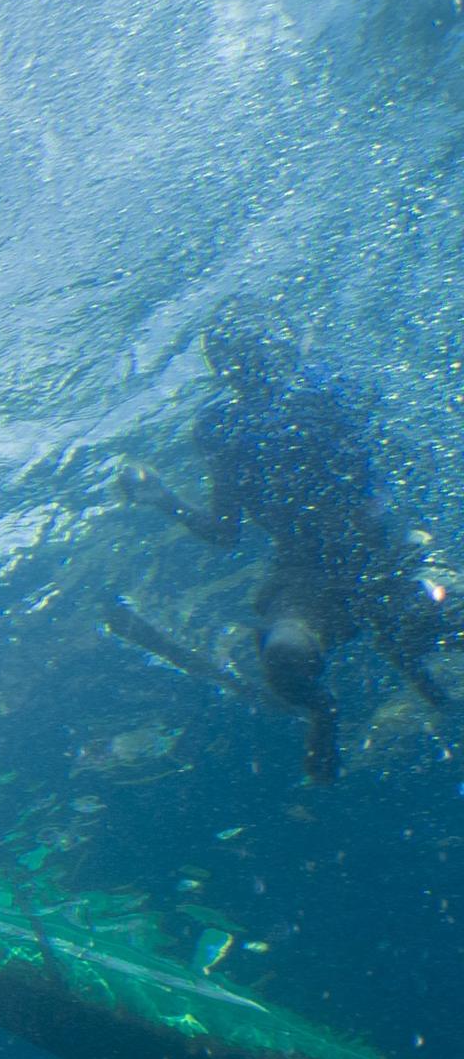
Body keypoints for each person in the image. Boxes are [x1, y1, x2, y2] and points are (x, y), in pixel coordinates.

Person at [120, 324, 454, 782]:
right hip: (303, 575)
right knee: (283, 652)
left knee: (438, 618)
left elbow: (397, 456)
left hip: (386, 555)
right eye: (234, 356)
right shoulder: (225, 428)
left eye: (249, 349)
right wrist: (160, 497)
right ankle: (323, 712)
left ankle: (425, 679)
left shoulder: (326, 392)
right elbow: (225, 530)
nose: (245, 364)